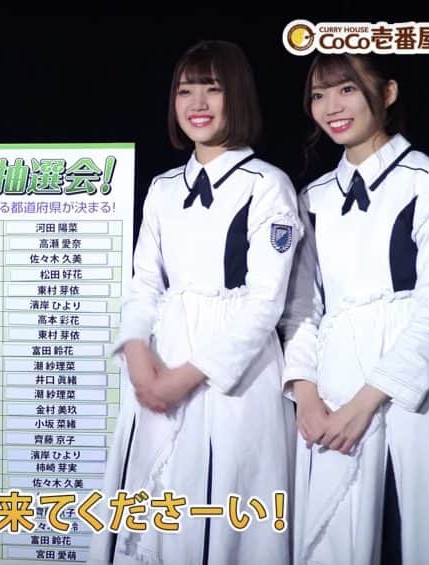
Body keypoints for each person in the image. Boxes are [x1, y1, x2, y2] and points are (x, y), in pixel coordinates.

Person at [89, 39, 300, 565]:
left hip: (234, 378)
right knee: (155, 515)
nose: (198, 103)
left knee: (224, 513)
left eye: (213, 88)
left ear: (238, 96)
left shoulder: (267, 185)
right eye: (186, 91)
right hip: (160, 362)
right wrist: (138, 355)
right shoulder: (163, 188)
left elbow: (265, 302)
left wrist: (185, 377)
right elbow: (143, 284)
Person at [282, 53, 429, 565]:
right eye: (319, 95)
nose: (331, 107)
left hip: (414, 392)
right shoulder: (313, 197)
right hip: (332, 384)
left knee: (415, 532)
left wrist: (362, 405)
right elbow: (301, 309)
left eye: (347, 89)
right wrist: (307, 396)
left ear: (387, 93)